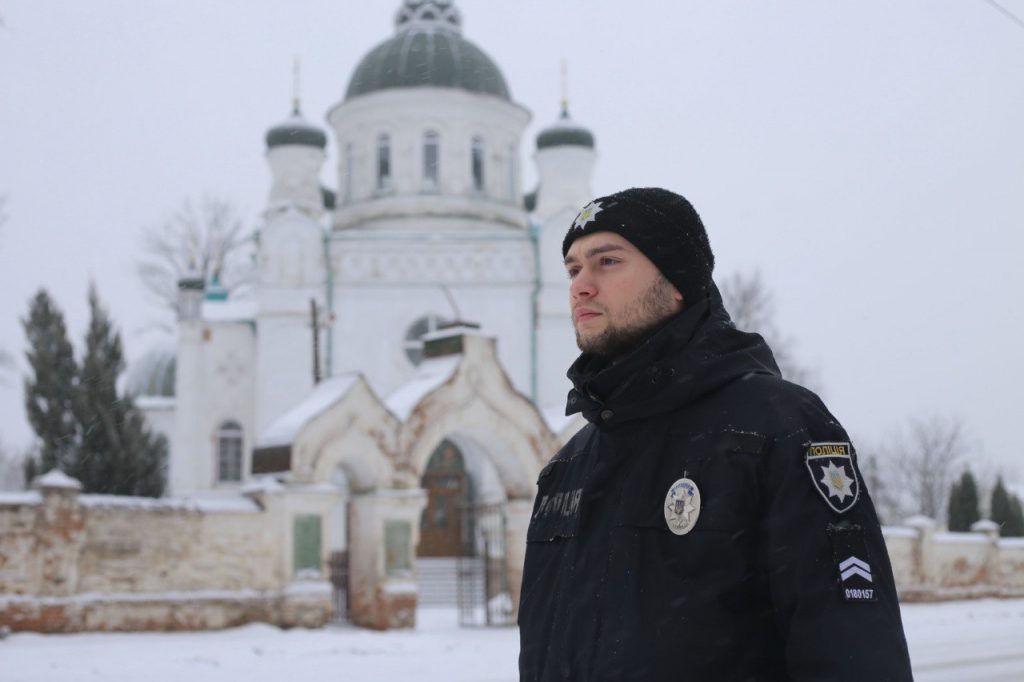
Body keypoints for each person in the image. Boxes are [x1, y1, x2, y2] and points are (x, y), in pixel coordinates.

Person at [517, 188, 913, 681]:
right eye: (573, 269)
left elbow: (853, 654)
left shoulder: (778, 427)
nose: (581, 286)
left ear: (678, 281)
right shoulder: (567, 467)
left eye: (608, 261)